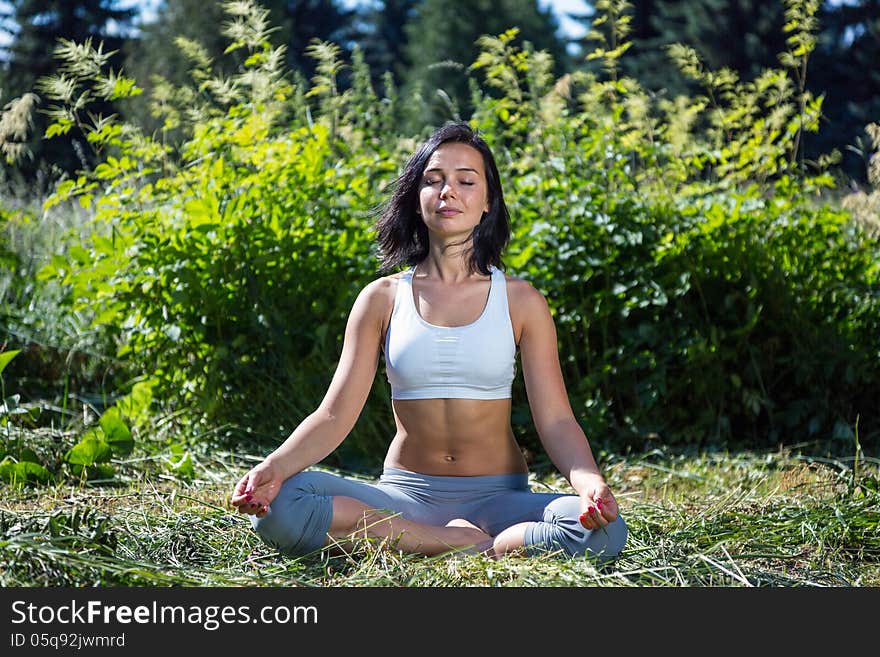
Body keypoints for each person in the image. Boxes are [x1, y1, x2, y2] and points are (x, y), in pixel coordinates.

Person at [231, 122, 628, 560]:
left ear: (487, 202)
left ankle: (442, 543)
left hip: (498, 502)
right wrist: (275, 466)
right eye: (433, 180)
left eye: (465, 181)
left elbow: (555, 421)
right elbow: (332, 414)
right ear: (416, 199)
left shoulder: (522, 301)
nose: (448, 192)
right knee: (279, 506)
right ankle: (458, 544)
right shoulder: (381, 299)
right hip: (404, 498)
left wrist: (590, 483)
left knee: (605, 533)